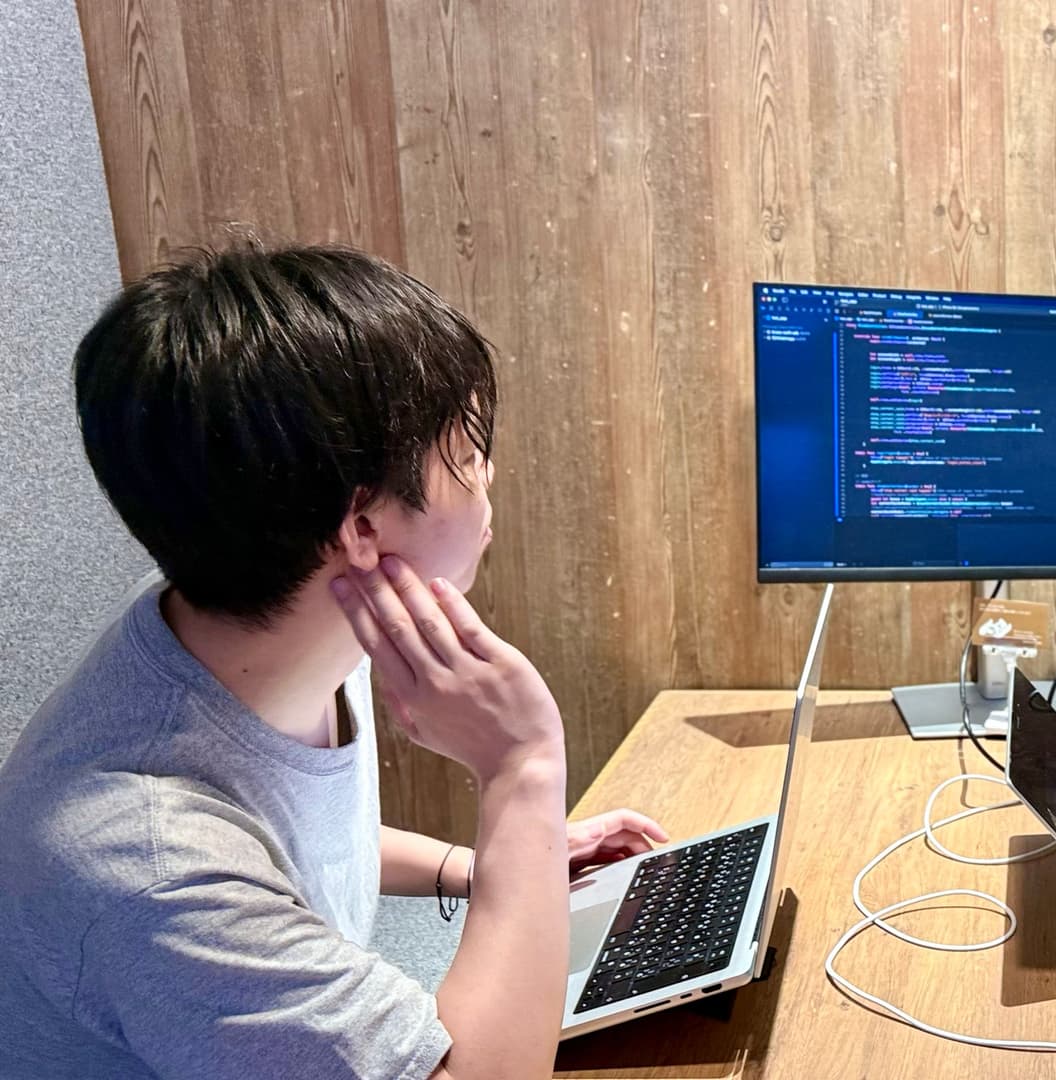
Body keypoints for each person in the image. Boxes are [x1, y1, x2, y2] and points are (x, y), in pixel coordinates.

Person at [0, 242, 665, 1079]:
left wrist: (490, 864)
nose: (488, 473)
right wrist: (522, 770)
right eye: (465, 455)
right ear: (362, 529)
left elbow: (293, 840)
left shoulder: (261, 608)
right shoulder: (147, 865)